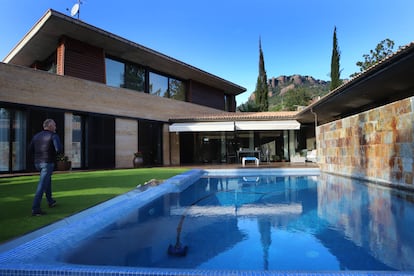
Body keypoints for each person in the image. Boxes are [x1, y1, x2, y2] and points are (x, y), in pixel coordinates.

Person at [28, 119, 63, 216]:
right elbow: (58, 150)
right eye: (54, 125)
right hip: (47, 163)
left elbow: (30, 149)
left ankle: (50, 201)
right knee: (42, 185)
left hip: (37, 163)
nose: (56, 127)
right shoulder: (53, 136)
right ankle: (35, 208)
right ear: (50, 126)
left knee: (47, 180)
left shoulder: (36, 136)